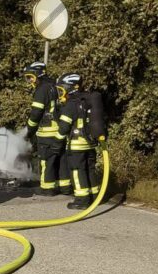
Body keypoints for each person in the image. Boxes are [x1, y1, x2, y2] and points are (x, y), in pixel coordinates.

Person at [55, 73, 103, 210]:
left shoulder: (71, 104)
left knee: (77, 171)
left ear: (70, 88)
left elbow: (64, 127)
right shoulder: (86, 100)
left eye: (62, 89)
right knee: (90, 169)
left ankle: (81, 200)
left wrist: (56, 143)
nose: (61, 93)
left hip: (76, 145)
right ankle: (94, 196)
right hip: (90, 144)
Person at [22, 61, 64, 196]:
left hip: (47, 131)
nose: (29, 81)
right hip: (58, 129)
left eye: (30, 77)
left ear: (38, 75)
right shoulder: (54, 85)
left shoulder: (41, 90)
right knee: (58, 159)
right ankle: (64, 187)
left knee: (46, 160)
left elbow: (36, 113)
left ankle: (47, 188)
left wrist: (28, 130)